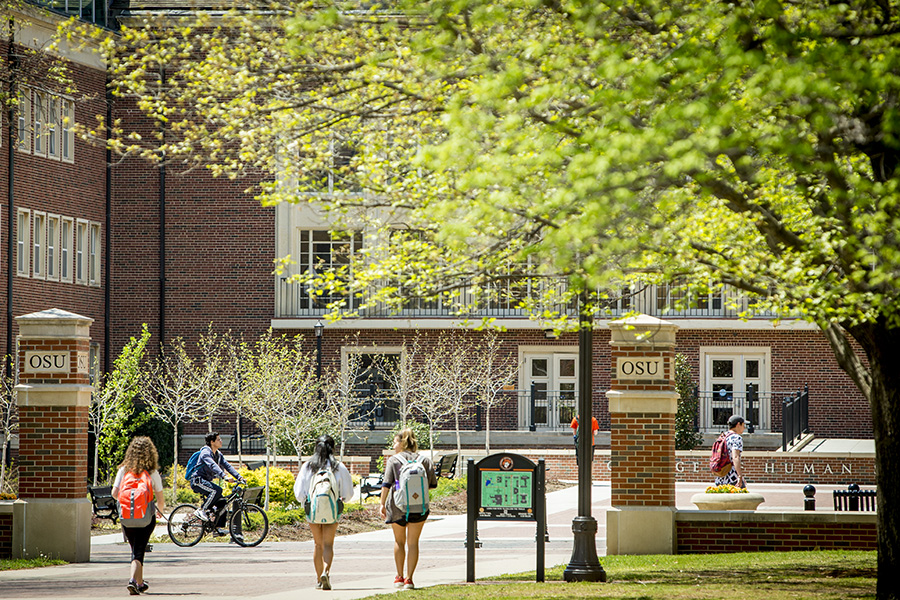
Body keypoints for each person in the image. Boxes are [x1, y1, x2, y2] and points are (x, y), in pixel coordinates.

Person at [380, 428, 438, 591]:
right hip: (419, 507)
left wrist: (382, 504)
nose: (393, 444)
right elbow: (432, 485)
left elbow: (386, 484)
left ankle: (399, 576)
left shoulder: (394, 460)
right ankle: (410, 579)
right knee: (413, 543)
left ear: (403, 442)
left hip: (397, 507)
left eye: (395, 441)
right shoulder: (425, 460)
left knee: (399, 541)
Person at [294, 435, 354, 590]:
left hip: (313, 510)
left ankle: (318, 579)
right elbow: (348, 493)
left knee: (317, 544)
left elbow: (299, 492)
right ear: (332, 448)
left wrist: (305, 501)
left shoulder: (308, 466)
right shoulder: (338, 467)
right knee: (328, 544)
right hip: (332, 509)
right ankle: (326, 572)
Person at [112, 436, 165, 595]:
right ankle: (132, 581)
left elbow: (114, 493)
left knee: (135, 548)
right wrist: (160, 511)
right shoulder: (152, 472)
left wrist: (128, 500)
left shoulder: (124, 470)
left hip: (127, 517)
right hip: (146, 517)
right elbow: (160, 499)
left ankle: (140, 582)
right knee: (139, 550)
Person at [188, 432, 245, 536]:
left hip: (205, 482)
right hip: (197, 481)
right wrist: (224, 476)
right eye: (218, 439)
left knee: (223, 503)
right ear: (212, 442)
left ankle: (217, 529)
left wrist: (239, 476)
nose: (221, 441)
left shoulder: (218, 454)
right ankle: (202, 510)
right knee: (216, 490)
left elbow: (227, 466)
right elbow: (212, 465)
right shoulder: (205, 452)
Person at [715, 415, 747, 488]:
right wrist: (739, 476)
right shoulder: (736, 438)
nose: (744, 428)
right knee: (741, 498)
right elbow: (735, 457)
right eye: (743, 425)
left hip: (721, 475)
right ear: (738, 424)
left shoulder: (722, 436)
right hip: (732, 477)